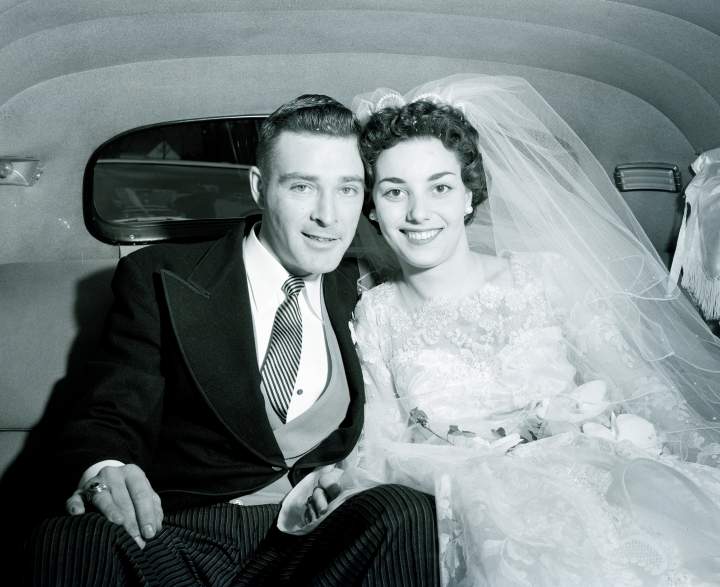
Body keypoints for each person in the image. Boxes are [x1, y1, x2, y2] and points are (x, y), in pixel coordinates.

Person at [279, 76, 720, 586]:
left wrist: (700, 452)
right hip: (477, 513)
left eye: (440, 187)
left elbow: (638, 387)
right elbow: (381, 440)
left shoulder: (545, 277)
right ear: (373, 208)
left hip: (600, 481)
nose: (418, 213)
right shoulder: (377, 314)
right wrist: (340, 480)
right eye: (395, 191)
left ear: (470, 195)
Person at [26, 94, 439, 586]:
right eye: (302, 186)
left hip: (313, 542)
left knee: (407, 514)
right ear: (259, 187)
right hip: (176, 535)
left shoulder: (369, 291)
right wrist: (106, 468)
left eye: (348, 189)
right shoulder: (160, 275)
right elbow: (111, 408)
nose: (329, 216)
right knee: (70, 539)